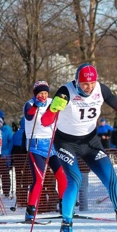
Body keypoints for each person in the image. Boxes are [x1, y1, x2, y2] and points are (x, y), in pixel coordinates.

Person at [41, 63, 117, 232]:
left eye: (92, 83)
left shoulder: (100, 89)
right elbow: (46, 122)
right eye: (85, 84)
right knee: (75, 179)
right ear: (77, 82)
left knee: (111, 178)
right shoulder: (65, 92)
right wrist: (53, 108)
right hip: (66, 142)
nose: (89, 87)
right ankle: (66, 227)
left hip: (90, 142)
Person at [23, 81, 68, 221]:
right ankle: (30, 210)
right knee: (39, 179)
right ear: (35, 94)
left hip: (52, 144)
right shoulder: (29, 104)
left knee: (62, 175)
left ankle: (64, 206)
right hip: (35, 145)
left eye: (45, 93)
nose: (43, 96)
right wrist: (36, 105)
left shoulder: (51, 102)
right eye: (40, 93)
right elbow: (29, 116)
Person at [11, 117, 31, 208]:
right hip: (27, 159)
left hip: (17, 159)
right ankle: (29, 200)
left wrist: (11, 160)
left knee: (19, 180)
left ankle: (20, 200)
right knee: (28, 180)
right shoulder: (29, 133)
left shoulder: (16, 133)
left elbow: (12, 146)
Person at [0, 112, 13, 198]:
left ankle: (6, 192)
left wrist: (10, 154)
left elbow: (11, 141)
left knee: (5, 174)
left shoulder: (7, 129)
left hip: (5, 155)